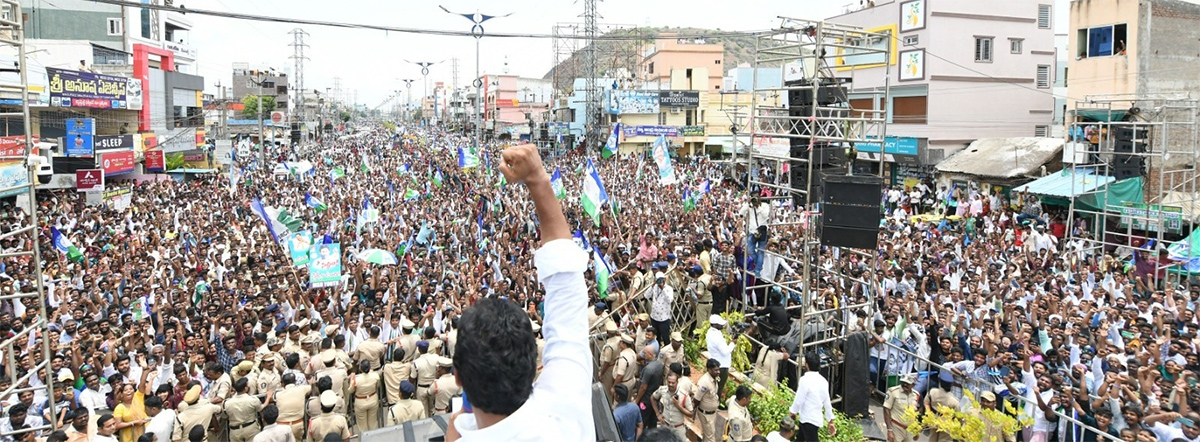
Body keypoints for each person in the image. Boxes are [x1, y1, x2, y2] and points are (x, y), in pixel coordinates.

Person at [444, 144, 594, 441]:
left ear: (458, 377)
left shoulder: (566, 404)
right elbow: (567, 286)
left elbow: (566, 286)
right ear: (533, 366)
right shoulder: (565, 413)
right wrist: (538, 178)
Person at [789, 352, 836, 442]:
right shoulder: (823, 381)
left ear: (807, 364)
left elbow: (799, 400)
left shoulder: (804, 380)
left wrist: (792, 412)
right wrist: (830, 420)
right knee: (800, 439)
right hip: (814, 419)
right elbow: (827, 402)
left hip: (807, 419)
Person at [651, 371, 692, 442]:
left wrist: (678, 405)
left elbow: (691, 414)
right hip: (665, 425)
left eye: (673, 383)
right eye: (669, 382)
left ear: (677, 382)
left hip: (678, 428)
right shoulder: (662, 390)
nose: (670, 384)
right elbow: (653, 398)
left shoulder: (684, 395)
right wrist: (658, 414)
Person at [225, 378, 266, 442]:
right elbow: (260, 408)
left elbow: (224, 417)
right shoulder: (252, 400)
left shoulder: (227, 403)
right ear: (245, 388)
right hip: (250, 428)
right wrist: (268, 397)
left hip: (235, 431)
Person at [706, 315, 735, 403]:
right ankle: (716, 403)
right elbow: (725, 351)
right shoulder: (716, 336)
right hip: (721, 365)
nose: (722, 326)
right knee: (719, 386)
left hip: (716, 361)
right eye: (720, 324)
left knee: (714, 384)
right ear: (715, 325)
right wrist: (733, 343)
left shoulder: (710, 332)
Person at [883, 374, 918, 442]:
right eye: (903, 382)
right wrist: (889, 430)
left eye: (907, 383)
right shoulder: (893, 392)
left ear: (913, 385)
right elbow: (886, 410)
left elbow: (915, 412)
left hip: (909, 430)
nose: (905, 385)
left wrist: (916, 429)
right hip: (896, 428)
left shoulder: (916, 395)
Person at [693, 359, 721, 442]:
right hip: (706, 414)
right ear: (709, 369)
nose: (718, 372)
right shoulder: (705, 382)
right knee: (710, 438)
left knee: (707, 435)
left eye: (718, 369)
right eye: (716, 370)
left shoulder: (714, 378)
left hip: (712, 413)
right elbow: (697, 399)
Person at [350, 360, 381, 432]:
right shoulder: (375, 375)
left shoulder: (356, 379)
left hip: (360, 402)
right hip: (373, 399)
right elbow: (378, 385)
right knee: (372, 424)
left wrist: (351, 379)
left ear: (360, 368)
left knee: (362, 428)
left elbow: (350, 390)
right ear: (370, 367)